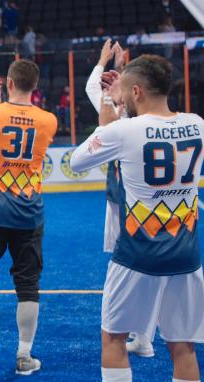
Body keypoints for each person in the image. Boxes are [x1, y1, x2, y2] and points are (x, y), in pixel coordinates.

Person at [70, 54, 204, 382]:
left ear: (138, 91)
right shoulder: (198, 123)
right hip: (186, 254)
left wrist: (108, 109)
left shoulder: (122, 130)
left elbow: (76, 161)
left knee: (113, 338)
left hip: (136, 253)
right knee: (183, 347)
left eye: (126, 90)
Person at [0, 59, 58, 375]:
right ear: (35, 86)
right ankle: (24, 355)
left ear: (8, 83)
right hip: (29, 214)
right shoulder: (48, 120)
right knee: (28, 284)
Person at [85, 39, 156, 359]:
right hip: (137, 203)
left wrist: (104, 61)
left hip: (125, 203)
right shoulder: (137, 119)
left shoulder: (116, 122)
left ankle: (133, 334)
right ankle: (143, 335)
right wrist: (120, 66)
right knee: (140, 268)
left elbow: (92, 86)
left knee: (128, 267)